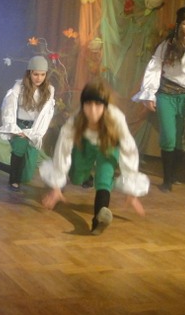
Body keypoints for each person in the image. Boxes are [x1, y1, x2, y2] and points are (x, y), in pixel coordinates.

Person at [41, 81, 148, 235]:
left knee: (104, 177)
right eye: (88, 104)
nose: (92, 110)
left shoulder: (116, 118)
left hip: (107, 145)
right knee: (77, 176)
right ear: (83, 105)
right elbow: (62, 149)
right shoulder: (76, 120)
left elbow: (129, 149)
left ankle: (100, 218)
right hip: (84, 145)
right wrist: (56, 187)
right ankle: (80, 178)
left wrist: (132, 190)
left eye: (98, 105)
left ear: (105, 106)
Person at [133, 6, 185, 192]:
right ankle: (166, 180)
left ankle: (174, 174)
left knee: (182, 139)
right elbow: (154, 68)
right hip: (166, 94)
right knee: (168, 136)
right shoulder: (167, 45)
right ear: (179, 24)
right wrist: (149, 94)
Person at [0, 55, 55, 191]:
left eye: (42, 75)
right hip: (19, 126)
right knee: (18, 152)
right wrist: (13, 127)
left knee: (26, 174)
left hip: (34, 128)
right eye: (35, 74)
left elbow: (45, 115)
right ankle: (13, 181)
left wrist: (35, 132)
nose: (39, 78)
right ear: (29, 73)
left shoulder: (49, 90)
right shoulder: (19, 86)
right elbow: (9, 106)